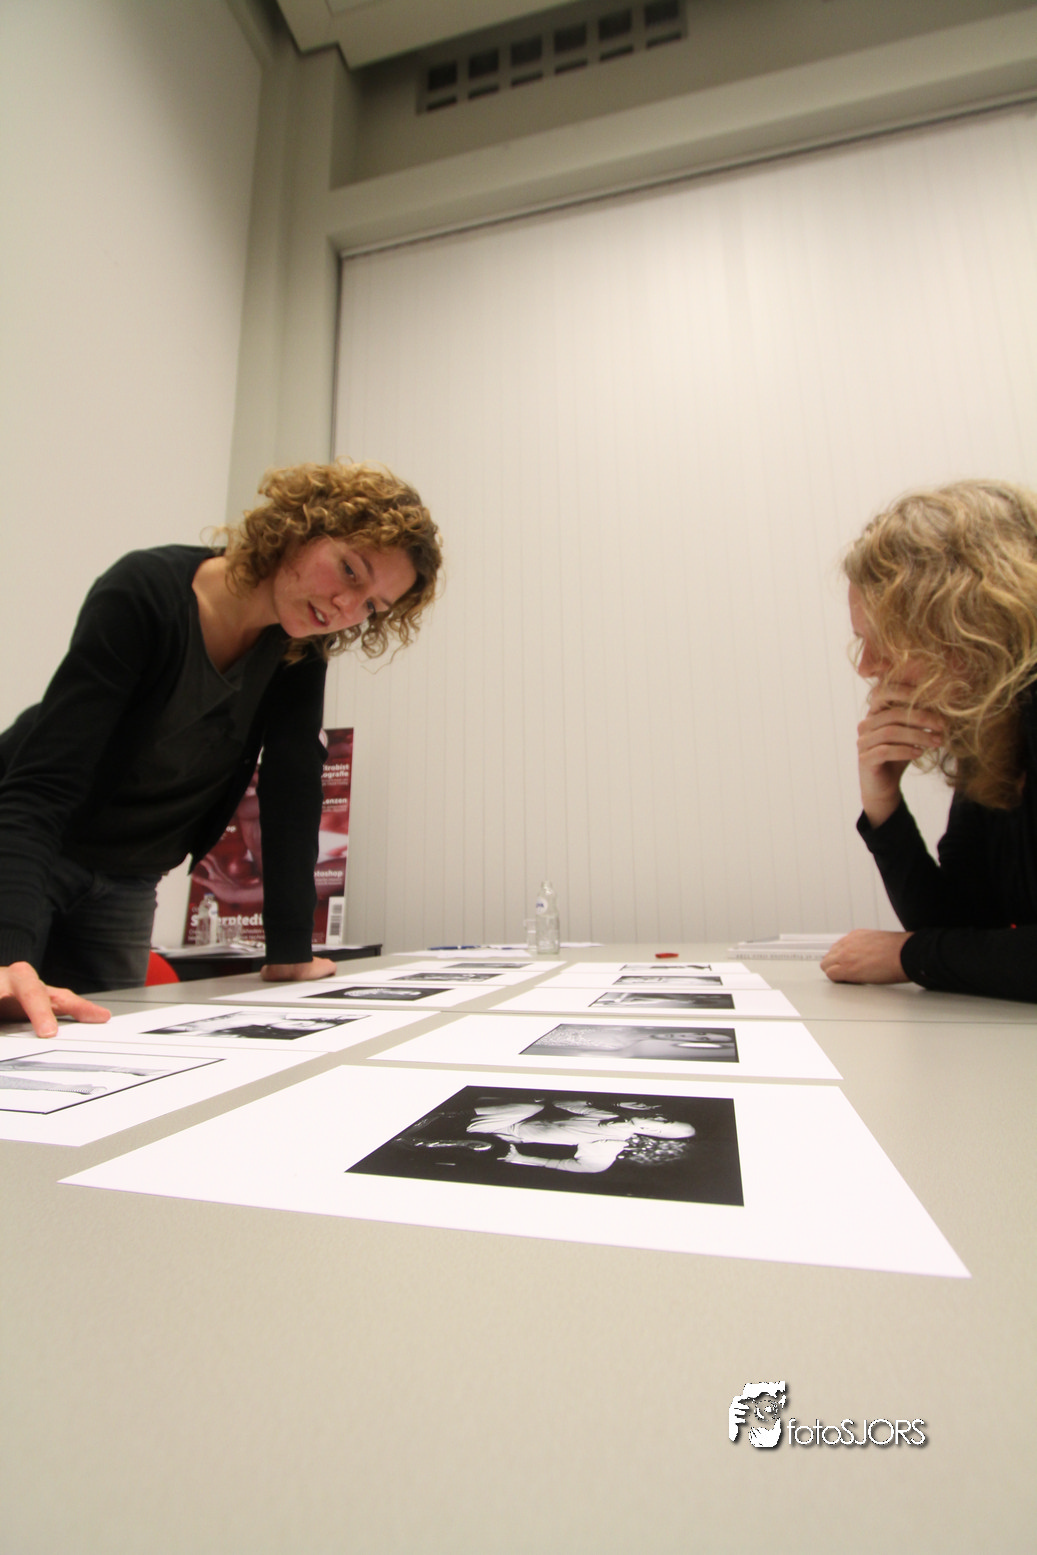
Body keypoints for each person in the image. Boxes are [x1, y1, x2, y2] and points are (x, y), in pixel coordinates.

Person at [0, 461, 442, 1036]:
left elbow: (291, 781)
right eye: (350, 570)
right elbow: (41, 783)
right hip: (32, 851)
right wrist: (6, 950)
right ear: (303, 525)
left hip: (131, 872)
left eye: (372, 607)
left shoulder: (298, 646)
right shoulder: (146, 591)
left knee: (101, 1035)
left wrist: (289, 948)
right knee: (15, 1023)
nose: (346, 606)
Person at [821, 480, 1037, 1002]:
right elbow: (958, 924)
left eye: (885, 640)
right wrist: (883, 805)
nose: (868, 666)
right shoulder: (992, 731)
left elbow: (941, 945)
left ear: (967, 625)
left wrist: (907, 957)